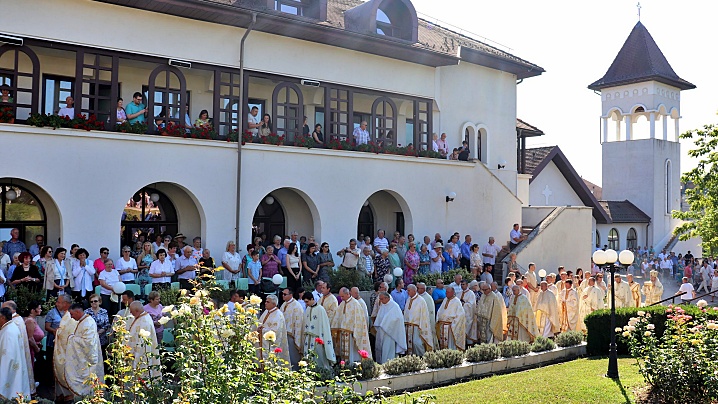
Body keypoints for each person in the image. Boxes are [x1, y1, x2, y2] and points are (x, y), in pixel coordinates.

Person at [2, 301, 35, 395]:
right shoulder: (18, 319)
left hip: (14, 354)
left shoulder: (14, 322)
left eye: (4, 308)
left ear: (11, 309)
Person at [335, 287, 372, 362]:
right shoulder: (342, 304)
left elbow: (359, 320)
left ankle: (352, 366)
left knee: (352, 353)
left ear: (348, 294)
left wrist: (354, 332)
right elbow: (337, 317)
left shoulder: (355, 304)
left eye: (342, 296)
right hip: (343, 333)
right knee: (343, 354)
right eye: (340, 296)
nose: (341, 298)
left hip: (351, 335)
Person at [302, 292, 336, 369]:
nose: (306, 304)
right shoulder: (308, 309)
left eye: (307, 301)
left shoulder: (320, 309)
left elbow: (324, 325)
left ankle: (321, 371)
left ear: (312, 299)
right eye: (305, 302)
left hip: (317, 337)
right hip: (308, 337)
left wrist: (323, 337)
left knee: (319, 357)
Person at [127, 301, 162, 378]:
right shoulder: (142, 317)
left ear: (137, 311)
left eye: (131, 311)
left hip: (141, 355)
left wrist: (137, 359)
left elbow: (142, 345)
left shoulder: (144, 322)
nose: (130, 312)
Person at [373, 291, 406, 364]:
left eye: (381, 299)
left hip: (391, 333)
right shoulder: (383, 305)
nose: (380, 301)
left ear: (387, 298)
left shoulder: (394, 306)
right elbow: (380, 318)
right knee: (383, 349)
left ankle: (389, 364)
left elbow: (398, 319)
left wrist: (386, 325)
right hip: (382, 332)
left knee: (389, 349)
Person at [257, 294, 290, 366]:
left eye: (268, 302)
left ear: (274, 304)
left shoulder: (278, 315)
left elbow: (275, 332)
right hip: (262, 342)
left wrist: (262, 330)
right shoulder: (266, 311)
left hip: (270, 345)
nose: (265, 303)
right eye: (266, 301)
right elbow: (260, 323)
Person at [403, 284, 433, 356]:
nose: (407, 292)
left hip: (417, 326)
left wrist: (421, 326)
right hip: (408, 326)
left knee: (417, 343)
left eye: (409, 291)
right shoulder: (408, 299)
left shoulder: (421, 300)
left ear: (414, 291)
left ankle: (422, 357)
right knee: (409, 343)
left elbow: (424, 314)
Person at [280, 288, 304, 367]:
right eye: (282, 294)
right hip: (284, 332)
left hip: (292, 334)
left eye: (285, 294)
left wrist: (296, 335)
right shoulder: (284, 304)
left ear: (291, 295)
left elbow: (299, 322)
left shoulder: (296, 306)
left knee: (293, 354)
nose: (283, 296)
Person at [25, 301, 43, 367]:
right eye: (39, 308)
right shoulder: (30, 321)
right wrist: (37, 349)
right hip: (32, 349)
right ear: (33, 310)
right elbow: (30, 338)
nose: (41, 310)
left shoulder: (33, 320)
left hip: (35, 348)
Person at [459, 280, 478, 345]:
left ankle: (469, 345)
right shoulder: (459, 293)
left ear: (467, 285)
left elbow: (471, 305)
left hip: (468, 316)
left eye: (463, 284)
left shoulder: (471, 294)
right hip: (460, 315)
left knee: (468, 330)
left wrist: (464, 304)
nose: (462, 286)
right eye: (461, 284)